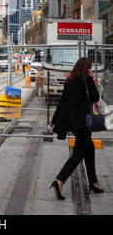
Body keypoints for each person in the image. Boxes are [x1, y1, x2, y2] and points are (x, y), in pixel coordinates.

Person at [49, 57, 104, 200]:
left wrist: (53, 121)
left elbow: (62, 103)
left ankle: (93, 182)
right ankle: (59, 181)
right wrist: (92, 80)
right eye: (90, 68)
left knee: (89, 148)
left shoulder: (70, 81)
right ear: (86, 68)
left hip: (73, 123)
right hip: (84, 123)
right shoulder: (86, 80)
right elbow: (96, 97)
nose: (90, 70)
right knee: (79, 153)